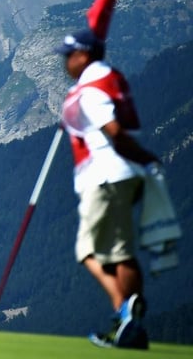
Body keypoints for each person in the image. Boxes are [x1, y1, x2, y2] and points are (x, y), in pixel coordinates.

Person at [56, 27, 161, 349]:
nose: (65, 63)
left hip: (105, 176)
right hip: (124, 176)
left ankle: (125, 313)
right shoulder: (113, 80)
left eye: (68, 56)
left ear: (83, 56)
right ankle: (130, 320)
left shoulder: (92, 90)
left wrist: (147, 158)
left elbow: (113, 130)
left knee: (90, 251)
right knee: (118, 251)